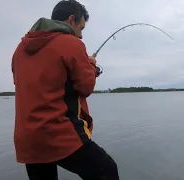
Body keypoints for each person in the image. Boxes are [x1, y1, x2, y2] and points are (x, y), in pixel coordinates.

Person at [11, 0, 119, 179]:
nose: (81, 36)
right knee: (106, 170)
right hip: (58, 135)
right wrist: (91, 64)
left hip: (27, 140)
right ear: (71, 20)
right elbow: (86, 86)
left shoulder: (19, 50)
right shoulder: (71, 43)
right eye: (81, 28)